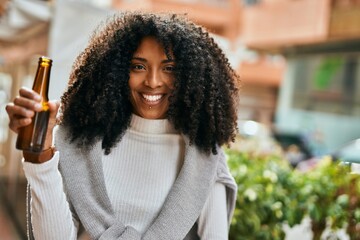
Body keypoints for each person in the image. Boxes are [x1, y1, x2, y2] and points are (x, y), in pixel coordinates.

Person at [6, 12, 240, 240]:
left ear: (190, 76)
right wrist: (39, 156)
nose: (153, 81)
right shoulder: (77, 142)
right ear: (116, 72)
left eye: (169, 68)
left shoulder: (204, 159)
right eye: (138, 66)